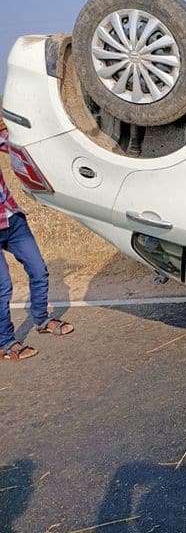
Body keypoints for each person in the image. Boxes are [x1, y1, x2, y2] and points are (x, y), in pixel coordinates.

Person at [0, 115, 74, 361]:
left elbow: (14, 146)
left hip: (12, 219)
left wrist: (10, 127)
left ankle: (41, 319)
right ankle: (6, 342)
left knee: (39, 270)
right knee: (3, 287)